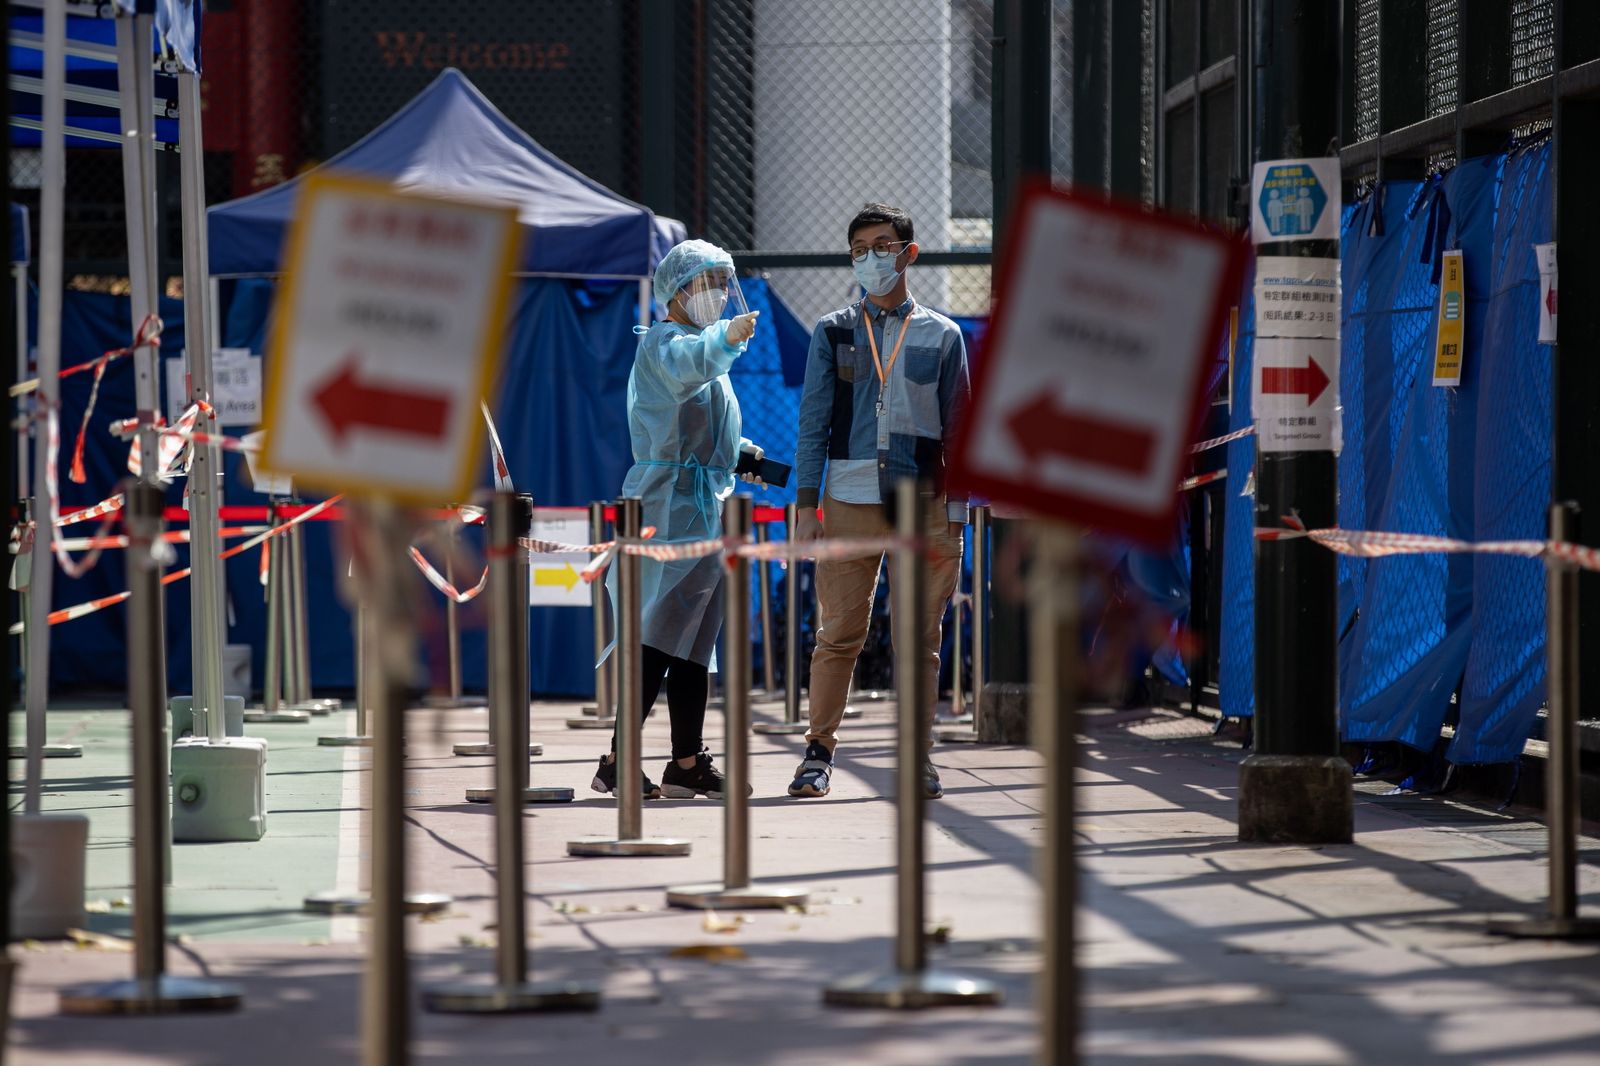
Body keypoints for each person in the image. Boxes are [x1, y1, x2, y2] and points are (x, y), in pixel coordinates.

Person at [788, 203, 970, 800]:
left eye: (883, 245)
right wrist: (806, 508)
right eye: (860, 248)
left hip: (924, 501)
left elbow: (960, 428)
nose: (872, 256)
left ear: (908, 253)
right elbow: (813, 422)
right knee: (839, 630)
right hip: (849, 496)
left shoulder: (943, 335)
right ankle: (817, 753)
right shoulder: (833, 331)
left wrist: (956, 510)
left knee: (919, 636)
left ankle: (918, 756)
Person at [591, 239, 765, 800]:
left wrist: (737, 452)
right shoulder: (670, 342)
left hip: (703, 506)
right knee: (655, 638)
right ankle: (617, 760)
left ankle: (686, 761)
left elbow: (695, 423)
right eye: (708, 283)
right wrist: (726, 337)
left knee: (694, 640)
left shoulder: (703, 349)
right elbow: (685, 371)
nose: (718, 294)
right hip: (668, 507)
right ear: (678, 290)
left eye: (723, 282)